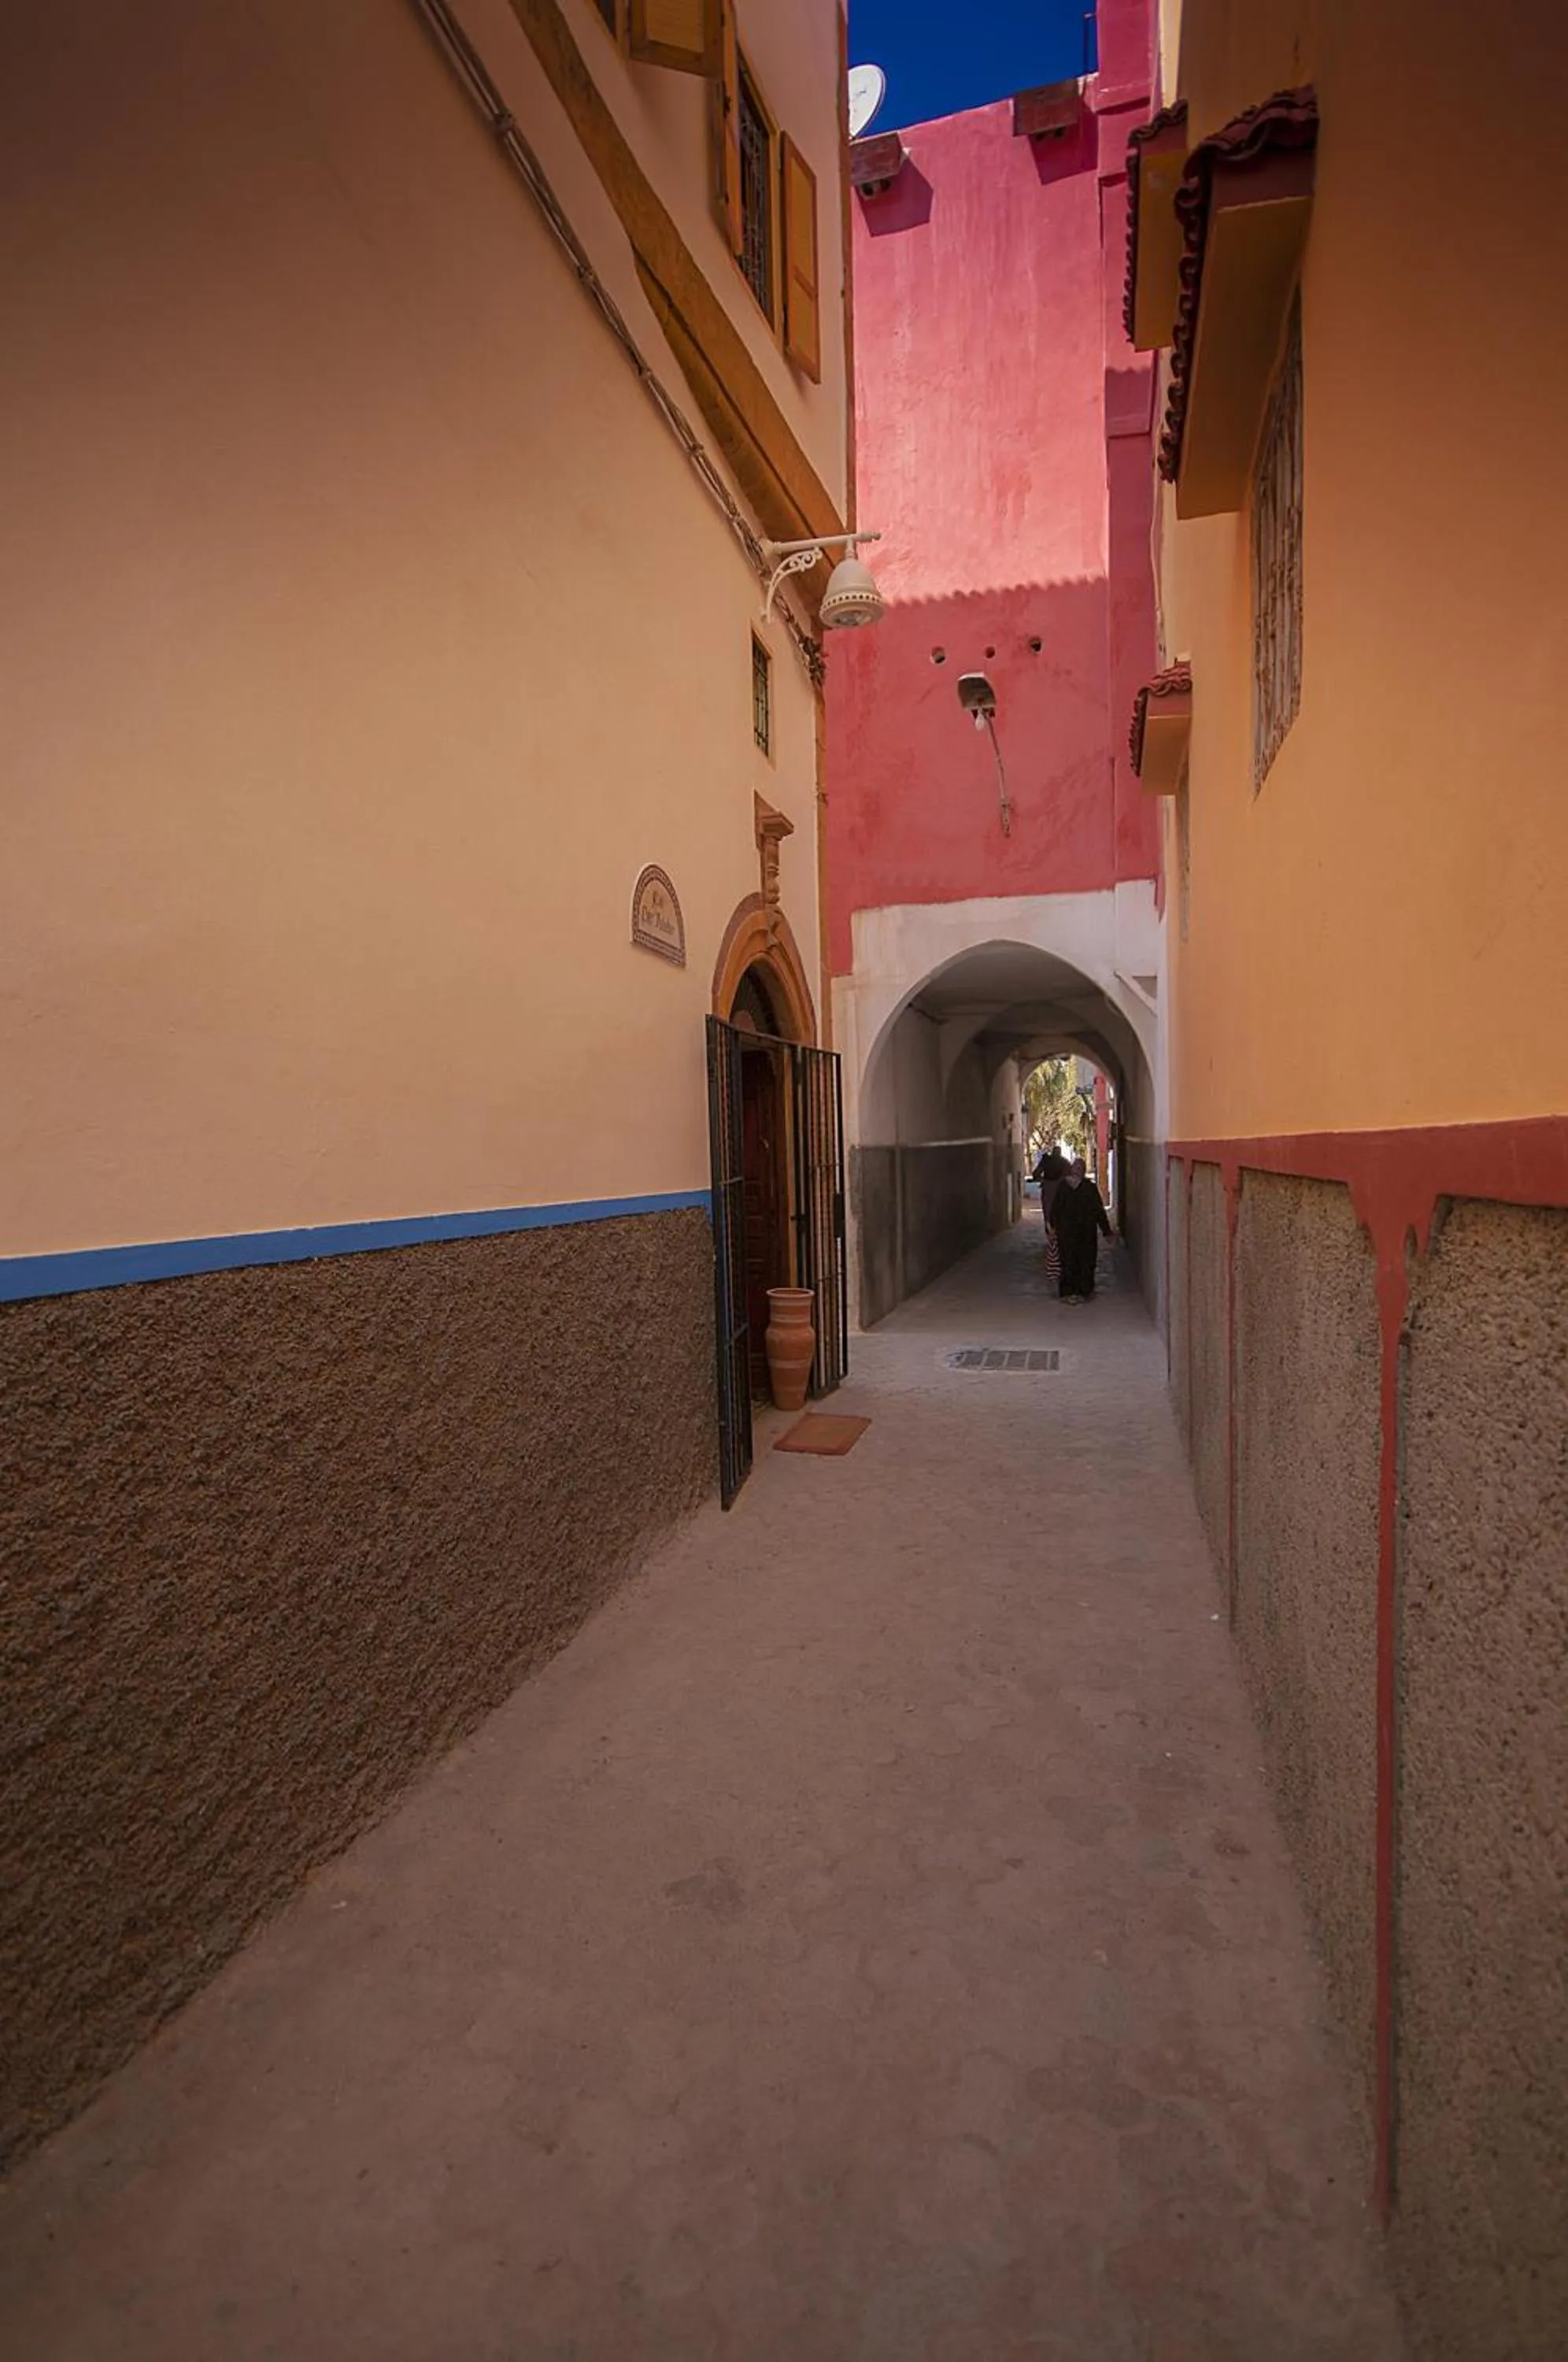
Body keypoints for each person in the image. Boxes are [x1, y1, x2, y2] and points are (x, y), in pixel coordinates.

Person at [1050, 1155, 1111, 1302]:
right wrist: (1106, 1232)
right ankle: (1083, 1291)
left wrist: (1052, 1228)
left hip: (1068, 1232)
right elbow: (1098, 1211)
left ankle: (1069, 1292)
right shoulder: (1088, 1187)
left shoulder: (1064, 1187)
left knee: (1068, 1260)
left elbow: (1055, 1209)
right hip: (1086, 1232)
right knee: (1085, 1261)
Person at [1031, 1146, 1066, 1286]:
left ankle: (1051, 1236)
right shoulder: (1064, 1162)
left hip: (1048, 1190)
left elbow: (1036, 1174)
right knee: (1059, 1213)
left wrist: (1042, 1179)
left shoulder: (1046, 1161)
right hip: (1059, 1190)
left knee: (1048, 1212)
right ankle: (1057, 1236)